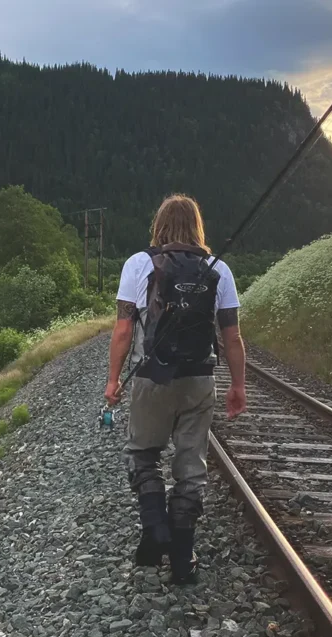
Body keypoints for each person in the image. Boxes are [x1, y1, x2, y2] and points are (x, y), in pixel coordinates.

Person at [104, 193, 247, 585]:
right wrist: (237, 384)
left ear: (160, 225)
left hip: (151, 377)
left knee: (142, 453)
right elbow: (231, 337)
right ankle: (183, 559)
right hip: (199, 379)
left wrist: (114, 380)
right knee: (190, 469)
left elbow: (122, 330)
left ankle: (156, 528)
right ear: (197, 227)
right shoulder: (220, 270)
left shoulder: (138, 264)